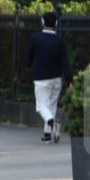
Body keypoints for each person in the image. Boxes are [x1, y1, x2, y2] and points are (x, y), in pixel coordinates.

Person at [27, 11, 71, 143]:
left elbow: (29, 58)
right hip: (56, 78)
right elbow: (65, 62)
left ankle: (52, 123)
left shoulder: (36, 38)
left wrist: (28, 65)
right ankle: (47, 135)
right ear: (56, 23)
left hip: (41, 78)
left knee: (41, 106)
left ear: (42, 22)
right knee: (51, 105)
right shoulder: (60, 40)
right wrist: (69, 81)